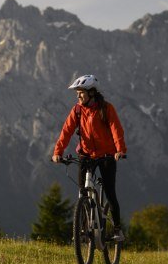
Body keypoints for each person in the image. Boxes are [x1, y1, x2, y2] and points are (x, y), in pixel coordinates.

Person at [52, 74, 128, 240]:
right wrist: (58, 152)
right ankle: (84, 229)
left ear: (91, 93)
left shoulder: (106, 109)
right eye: (77, 93)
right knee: (83, 192)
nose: (78, 96)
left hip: (107, 155)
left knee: (110, 193)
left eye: (81, 93)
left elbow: (116, 130)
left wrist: (120, 150)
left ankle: (117, 229)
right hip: (85, 155)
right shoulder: (77, 111)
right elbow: (66, 131)